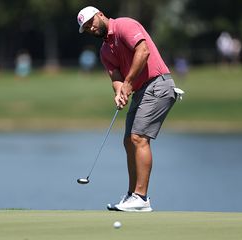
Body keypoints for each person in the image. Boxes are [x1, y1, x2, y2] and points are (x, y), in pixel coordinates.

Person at [77, 6, 182, 212]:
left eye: (91, 22)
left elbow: (143, 52)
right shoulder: (105, 50)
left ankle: (141, 198)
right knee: (128, 141)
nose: (90, 28)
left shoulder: (125, 25)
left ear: (100, 15)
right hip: (140, 90)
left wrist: (128, 83)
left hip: (158, 84)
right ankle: (132, 195)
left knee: (139, 138)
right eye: (86, 27)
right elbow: (116, 78)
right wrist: (119, 92)